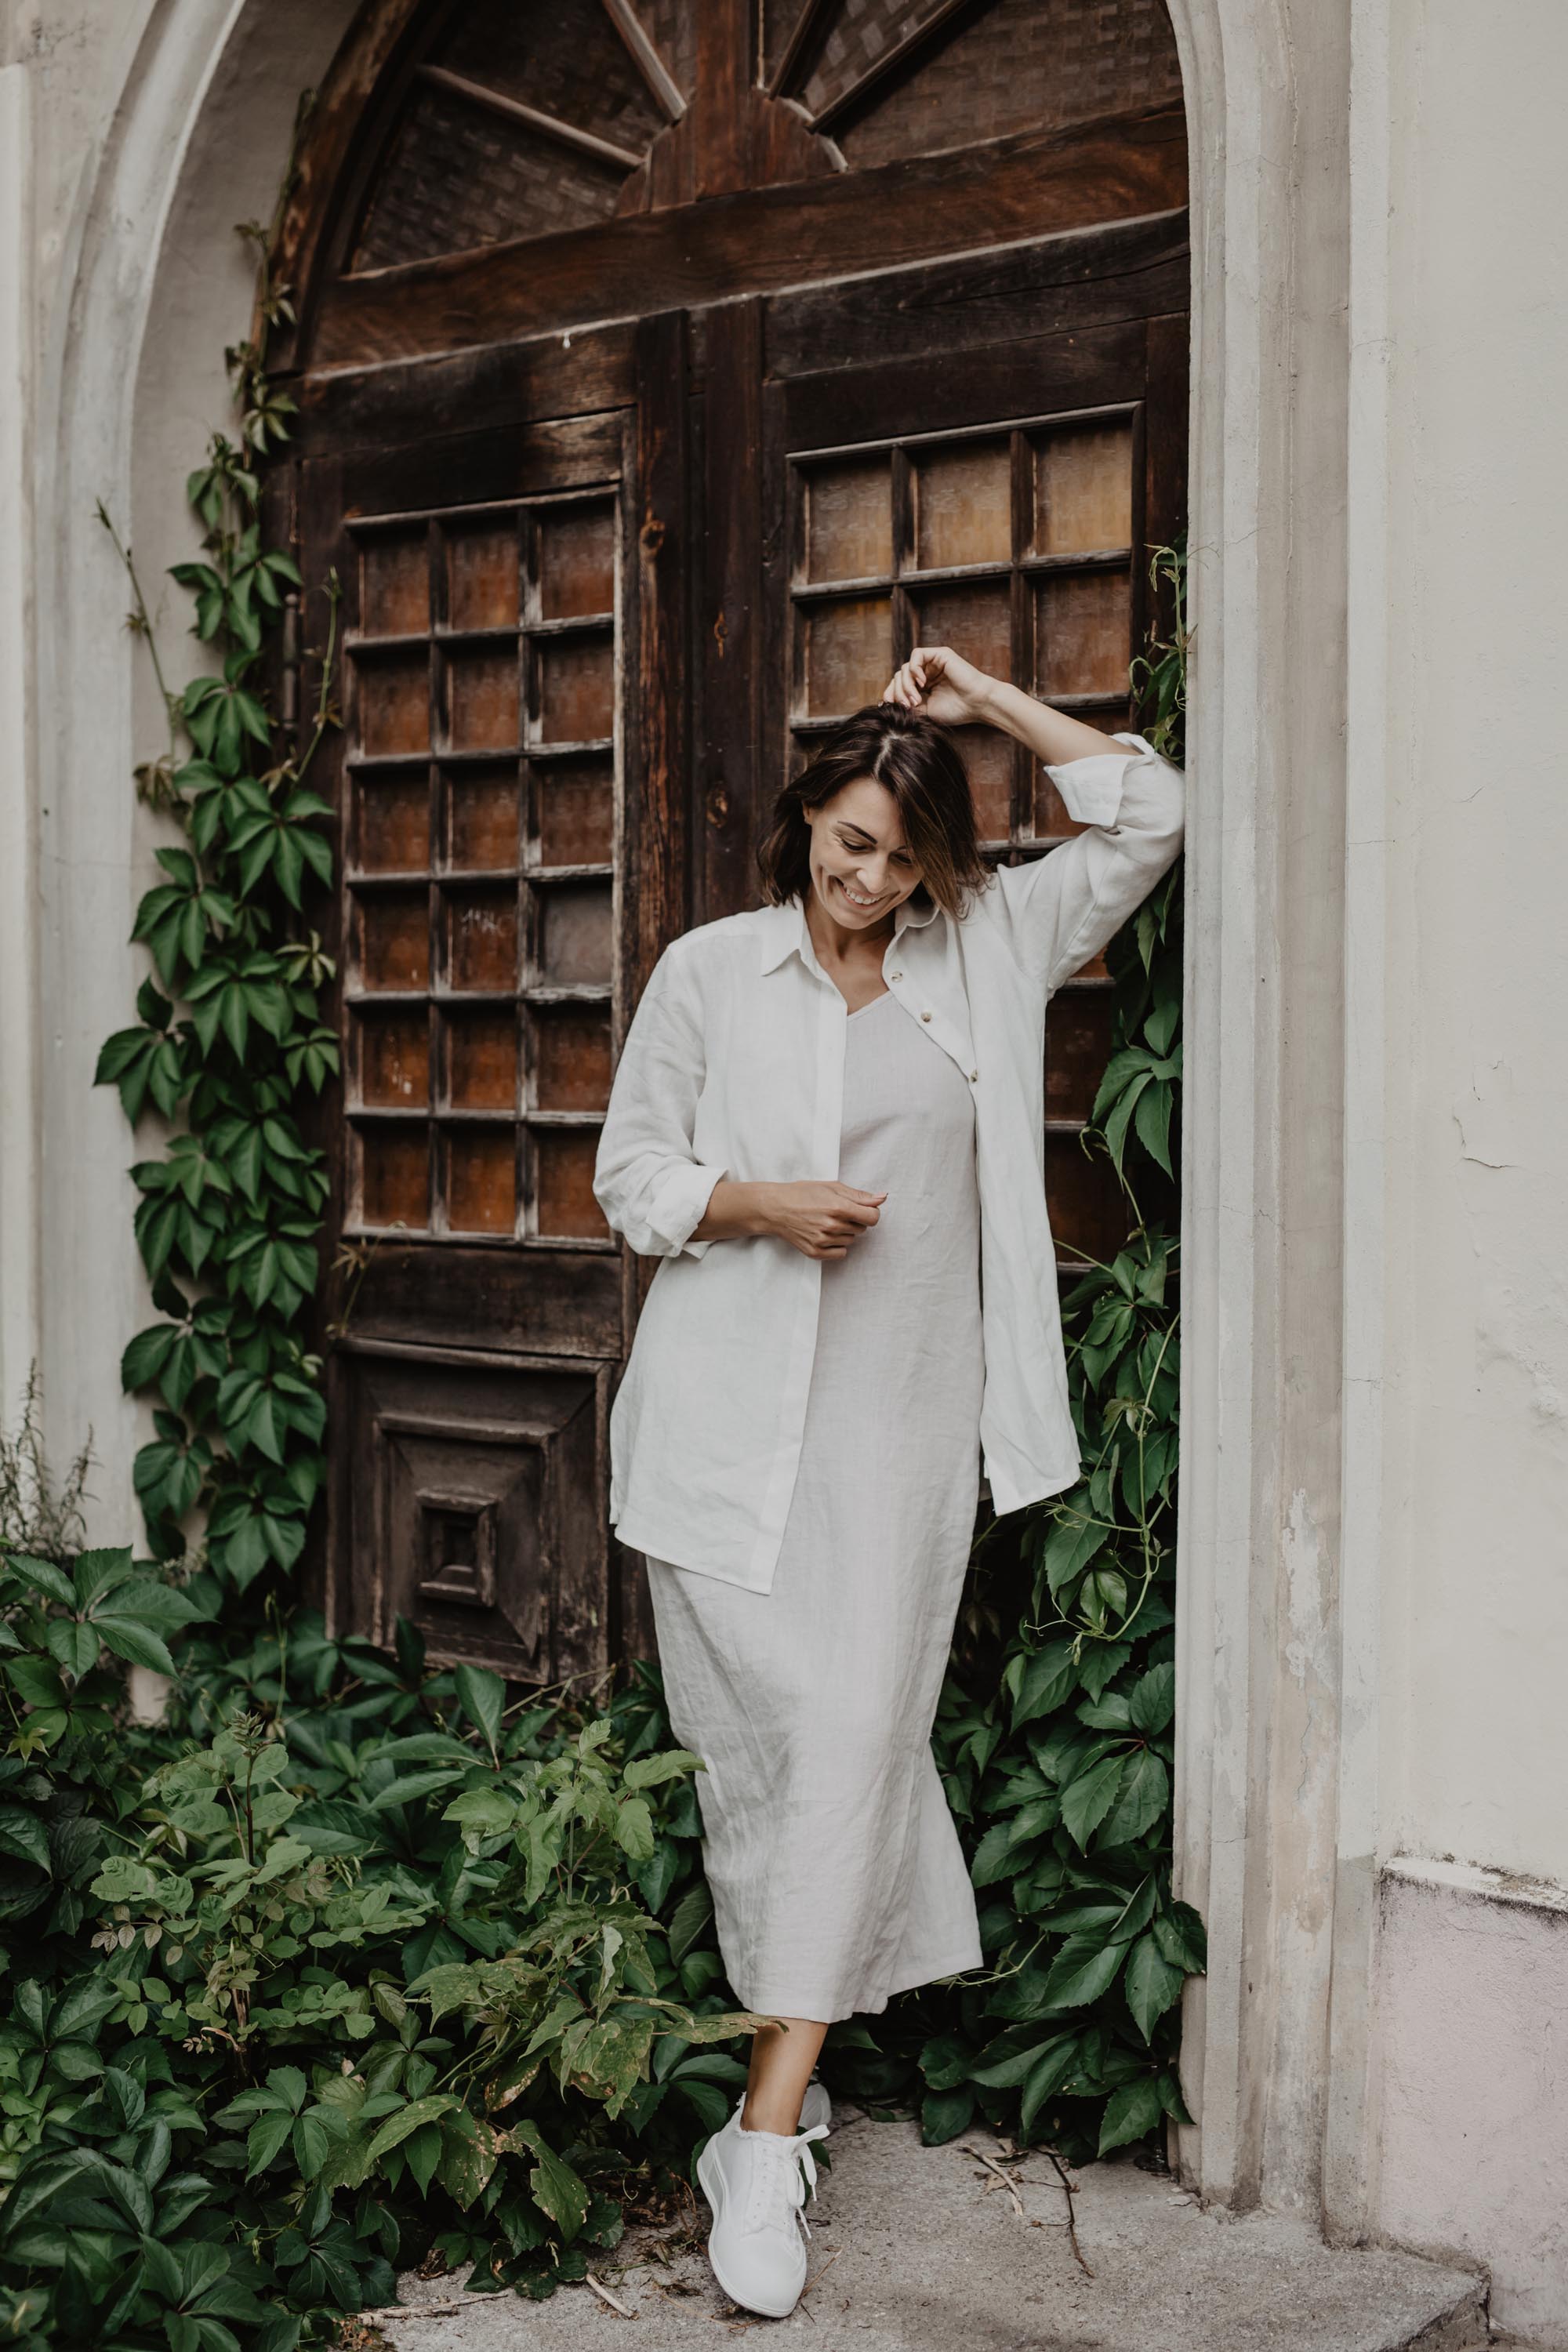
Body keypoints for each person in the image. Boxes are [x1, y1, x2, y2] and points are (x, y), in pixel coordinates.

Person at [593, 644, 1185, 2317]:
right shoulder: (713, 973)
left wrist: (983, 700)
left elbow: (1152, 814)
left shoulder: (987, 945)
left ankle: (762, 2135)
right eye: (849, 844)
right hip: (723, 1433)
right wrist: (758, 1204)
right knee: (781, 1755)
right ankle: (779, 2089)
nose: (867, 882)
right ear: (804, 820)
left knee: (855, 1738)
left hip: (901, 1435)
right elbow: (628, 1176)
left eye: (903, 859)